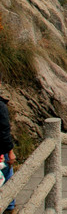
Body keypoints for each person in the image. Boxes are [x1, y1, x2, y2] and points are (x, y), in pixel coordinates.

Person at [0, 71, 17, 213]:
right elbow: (4, 131)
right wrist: (10, 152)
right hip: (1, 152)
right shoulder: (0, 106)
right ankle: (10, 207)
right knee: (7, 177)